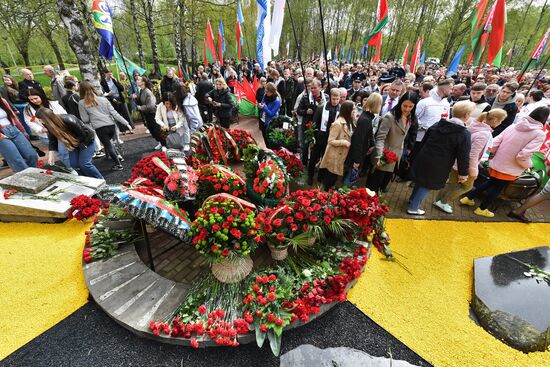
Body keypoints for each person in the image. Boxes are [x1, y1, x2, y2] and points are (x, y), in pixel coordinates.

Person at [461, 107, 548, 217]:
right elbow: (523, 156)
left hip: (497, 161)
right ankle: (482, 209)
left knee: (490, 182)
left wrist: (490, 156)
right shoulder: (539, 134)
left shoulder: (514, 125)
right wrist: (529, 165)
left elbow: (495, 142)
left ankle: (468, 198)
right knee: (497, 188)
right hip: (511, 168)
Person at [407, 101, 473, 215]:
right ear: (466, 115)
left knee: (420, 181)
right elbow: (463, 156)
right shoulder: (463, 134)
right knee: (427, 185)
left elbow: (424, 141)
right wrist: (463, 173)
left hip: (424, 156)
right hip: (440, 164)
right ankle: (413, 208)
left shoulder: (438, 124)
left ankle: (412, 200)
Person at [434, 109, 507, 214]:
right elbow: (473, 155)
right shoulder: (484, 134)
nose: (501, 123)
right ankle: (444, 201)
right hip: (466, 165)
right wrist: (474, 171)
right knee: (467, 186)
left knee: (452, 183)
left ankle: (438, 200)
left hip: (458, 162)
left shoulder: (475, 126)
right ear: (495, 120)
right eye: (501, 120)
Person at [367, 92, 419, 193]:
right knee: (373, 188)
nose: (407, 109)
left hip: (395, 157)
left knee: (383, 186)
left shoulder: (410, 117)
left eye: (410, 106)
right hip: (383, 157)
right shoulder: (390, 117)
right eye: (405, 105)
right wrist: (379, 156)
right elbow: (380, 138)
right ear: (400, 103)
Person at [35, 108, 102, 179]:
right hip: (73, 144)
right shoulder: (48, 125)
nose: (39, 121)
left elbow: (83, 134)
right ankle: (88, 180)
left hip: (86, 141)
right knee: (74, 165)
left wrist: (81, 146)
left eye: (40, 119)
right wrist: (51, 154)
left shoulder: (69, 119)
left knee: (85, 164)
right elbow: (52, 139)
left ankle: (100, 180)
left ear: (46, 118)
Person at [78, 81, 130, 171]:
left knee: (108, 145)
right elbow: (114, 113)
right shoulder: (103, 99)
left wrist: (92, 116)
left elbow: (85, 119)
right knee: (109, 143)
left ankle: (118, 164)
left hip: (100, 128)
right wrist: (127, 123)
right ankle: (117, 156)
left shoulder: (82, 103)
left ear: (81, 91)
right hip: (111, 126)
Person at [24, 88, 72, 169]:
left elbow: (64, 114)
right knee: (59, 153)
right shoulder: (28, 109)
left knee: (64, 153)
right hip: (45, 136)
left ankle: (72, 167)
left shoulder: (53, 104)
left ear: (41, 96)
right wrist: (40, 129)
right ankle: (70, 168)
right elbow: (29, 121)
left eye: (36, 98)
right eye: (31, 99)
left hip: (60, 133)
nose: (34, 101)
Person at [343, 93, 382, 187]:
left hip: (360, 152)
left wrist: (372, 144)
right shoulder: (365, 119)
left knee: (351, 176)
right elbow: (358, 141)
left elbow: (369, 133)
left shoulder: (367, 116)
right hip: (357, 155)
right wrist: (357, 160)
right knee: (350, 178)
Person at [307, 88, 341, 185]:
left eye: (337, 99)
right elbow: (314, 122)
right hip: (320, 137)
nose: (335, 101)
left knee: (325, 159)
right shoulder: (321, 108)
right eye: (333, 99)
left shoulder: (340, 109)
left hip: (331, 139)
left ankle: (321, 176)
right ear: (330, 98)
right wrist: (313, 136)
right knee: (314, 158)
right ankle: (310, 175)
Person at [319, 100, 354, 190]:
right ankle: (326, 193)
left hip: (340, 154)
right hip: (334, 155)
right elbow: (330, 140)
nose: (354, 111)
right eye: (353, 110)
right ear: (347, 110)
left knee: (334, 176)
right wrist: (344, 142)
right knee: (330, 177)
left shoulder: (349, 121)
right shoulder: (338, 124)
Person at [0, 97, 37, 172]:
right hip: (1, 135)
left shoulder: (2, 101)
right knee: (16, 159)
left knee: (31, 154)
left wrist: (22, 130)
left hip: (13, 128)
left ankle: (32, 173)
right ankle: (26, 177)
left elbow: (12, 116)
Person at [414, 79, 452, 145]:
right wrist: (425, 127)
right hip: (421, 139)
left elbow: (446, 120)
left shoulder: (446, 103)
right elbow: (414, 118)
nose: (451, 91)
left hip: (437, 140)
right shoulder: (424, 102)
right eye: (450, 89)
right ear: (445, 89)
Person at [134, 75, 162, 149]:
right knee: (151, 129)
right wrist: (136, 98)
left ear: (143, 82)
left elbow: (151, 105)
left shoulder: (147, 92)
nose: (137, 81)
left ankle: (164, 143)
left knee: (156, 130)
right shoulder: (141, 91)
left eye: (139, 80)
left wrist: (140, 107)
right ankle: (160, 142)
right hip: (147, 114)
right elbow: (141, 101)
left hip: (153, 113)